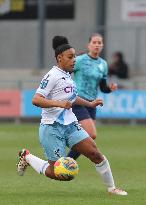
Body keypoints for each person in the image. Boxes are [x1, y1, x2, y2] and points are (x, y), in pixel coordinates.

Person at [17, 35, 127, 195]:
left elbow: (72, 98)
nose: (74, 59)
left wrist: (90, 103)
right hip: (52, 129)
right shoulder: (52, 75)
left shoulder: (68, 76)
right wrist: (59, 104)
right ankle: (27, 157)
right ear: (59, 58)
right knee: (59, 174)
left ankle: (112, 188)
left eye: (75, 56)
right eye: (70, 57)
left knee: (95, 153)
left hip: (70, 125)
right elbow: (36, 99)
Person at [67, 33, 118, 160]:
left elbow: (102, 87)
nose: (97, 45)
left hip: (92, 104)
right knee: (91, 134)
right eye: (94, 42)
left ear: (102, 46)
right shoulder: (79, 60)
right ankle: (67, 160)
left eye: (99, 43)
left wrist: (110, 89)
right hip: (78, 101)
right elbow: (65, 72)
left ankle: (67, 162)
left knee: (87, 138)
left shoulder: (103, 64)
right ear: (88, 45)